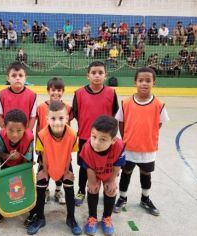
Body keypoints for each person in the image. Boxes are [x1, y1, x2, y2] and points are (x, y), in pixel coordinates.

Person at [113, 67, 169, 216]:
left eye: (148, 81)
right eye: (141, 80)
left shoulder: (159, 104)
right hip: (129, 147)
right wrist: (127, 138)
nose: (144, 83)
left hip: (148, 148)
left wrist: (148, 135)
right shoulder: (126, 103)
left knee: (146, 173)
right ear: (135, 82)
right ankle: (122, 198)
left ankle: (145, 199)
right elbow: (121, 122)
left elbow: (160, 123)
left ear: (154, 83)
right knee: (126, 172)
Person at [26, 101, 82, 235]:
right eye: (53, 118)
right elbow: (43, 154)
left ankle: (71, 219)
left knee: (69, 189)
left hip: (64, 164)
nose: (57, 122)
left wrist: (67, 171)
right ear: (47, 119)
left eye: (61, 118)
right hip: (47, 163)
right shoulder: (42, 134)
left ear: (67, 118)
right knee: (40, 187)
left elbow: (69, 154)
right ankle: (40, 218)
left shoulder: (73, 135)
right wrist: (45, 171)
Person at [72, 61, 119, 206]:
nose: (97, 76)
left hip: (105, 139)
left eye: (100, 73)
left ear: (105, 75)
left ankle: (106, 189)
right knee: (84, 167)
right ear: (88, 76)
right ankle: (81, 190)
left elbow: (115, 115)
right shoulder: (79, 93)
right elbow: (76, 114)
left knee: (106, 165)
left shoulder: (111, 93)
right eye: (93, 73)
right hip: (86, 137)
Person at [81, 116, 125, 235]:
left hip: (110, 170)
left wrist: (111, 181)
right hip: (94, 171)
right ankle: (92, 217)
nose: (96, 142)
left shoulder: (119, 146)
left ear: (113, 140)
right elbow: (88, 167)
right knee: (92, 189)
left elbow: (117, 164)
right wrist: (92, 182)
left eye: (103, 139)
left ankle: (107, 217)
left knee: (111, 190)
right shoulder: (87, 147)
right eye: (94, 136)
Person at [0, 109, 34, 223]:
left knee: (24, 184)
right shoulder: (1, 135)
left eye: (19, 130)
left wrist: (22, 158)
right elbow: (0, 152)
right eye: (10, 130)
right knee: (5, 185)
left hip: (23, 165)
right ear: (4, 127)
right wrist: (8, 156)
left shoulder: (29, 137)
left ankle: (29, 206)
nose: (15, 134)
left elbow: (29, 158)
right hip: (7, 164)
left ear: (25, 129)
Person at [35, 78, 72, 205]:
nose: (56, 93)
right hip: (45, 145)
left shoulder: (67, 107)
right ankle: (45, 190)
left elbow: (69, 127)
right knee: (45, 167)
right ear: (47, 90)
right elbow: (38, 127)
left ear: (63, 91)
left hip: (61, 146)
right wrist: (37, 145)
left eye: (59, 90)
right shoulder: (41, 107)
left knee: (60, 168)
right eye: (53, 90)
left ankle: (58, 191)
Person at [0, 62, 37, 130]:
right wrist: (6, 130)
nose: (17, 78)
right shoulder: (1, 95)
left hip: (25, 134)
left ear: (25, 78)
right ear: (8, 78)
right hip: (7, 133)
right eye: (14, 75)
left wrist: (28, 132)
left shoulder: (32, 96)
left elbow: (33, 117)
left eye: (20, 75)